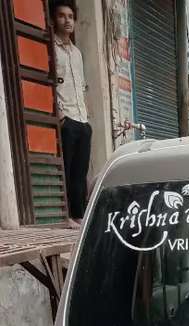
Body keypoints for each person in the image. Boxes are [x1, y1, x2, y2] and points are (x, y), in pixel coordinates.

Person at [51, 1, 91, 225]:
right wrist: (60, 116)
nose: (67, 21)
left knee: (80, 172)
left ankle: (78, 214)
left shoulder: (77, 53)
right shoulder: (51, 48)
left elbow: (82, 85)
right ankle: (64, 216)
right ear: (53, 20)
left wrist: (87, 118)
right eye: (61, 16)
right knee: (65, 171)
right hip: (66, 118)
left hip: (82, 119)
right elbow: (50, 83)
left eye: (70, 17)